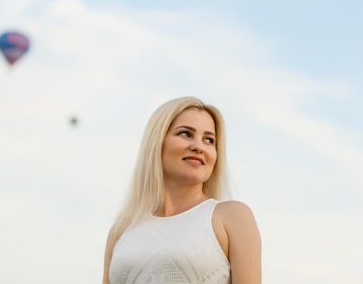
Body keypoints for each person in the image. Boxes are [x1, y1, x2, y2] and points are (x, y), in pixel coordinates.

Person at [102, 96, 262, 284]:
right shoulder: (121, 230)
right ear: (157, 142)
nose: (198, 147)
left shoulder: (232, 217)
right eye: (186, 134)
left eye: (209, 140)